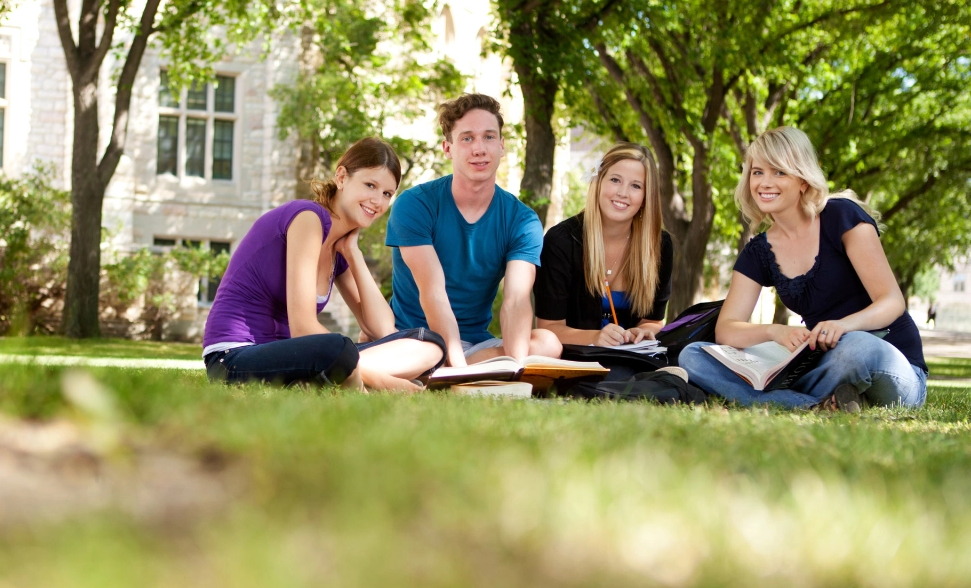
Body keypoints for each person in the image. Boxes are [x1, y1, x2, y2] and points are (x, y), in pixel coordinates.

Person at [678, 127, 927, 410]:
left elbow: (892, 302)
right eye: (757, 172)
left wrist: (843, 326)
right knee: (694, 355)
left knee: (857, 347)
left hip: (892, 364)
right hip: (818, 361)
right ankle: (816, 404)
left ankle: (779, 400)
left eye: (779, 172)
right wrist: (775, 333)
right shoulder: (758, 251)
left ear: (803, 181)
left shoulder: (841, 215)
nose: (764, 182)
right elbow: (727, 329)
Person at [202, 137, 446, 392]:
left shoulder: (339, 248)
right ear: (341, 177)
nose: (378, 201)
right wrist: (384, 378)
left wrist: (353, 254)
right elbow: (303, 328)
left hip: (295, 359)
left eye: (387, 193)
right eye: (370, 185)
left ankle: (326, 378)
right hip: (234, 357)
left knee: (430, 344)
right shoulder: (308, 219)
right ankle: (377, 382)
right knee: (336, 347)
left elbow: (382, 329)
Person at [386, 93, 562, 368]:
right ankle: (447, 370)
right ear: (448, 148)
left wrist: (516, 365)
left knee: (548, 343)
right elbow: (434, 293)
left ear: (502, 146)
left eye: (489, 137)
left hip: (477, 345)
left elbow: (516, 301)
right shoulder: (415, 204)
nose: (479, 148)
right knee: (428, 353)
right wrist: (459, 371)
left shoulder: (522, 220)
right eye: (467, 138)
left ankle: (441, 374)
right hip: (416, 339)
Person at [534, 143, 674, 370]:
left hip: (633, 360)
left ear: (646, 197)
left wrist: (644, 332)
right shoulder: (561, 241)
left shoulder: (659, 245)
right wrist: (595, 337)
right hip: (576, 360)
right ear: (598, 182)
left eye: (636, 186)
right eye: (615, 180)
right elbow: (549, 328)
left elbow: (654, 322)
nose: (623, 193)